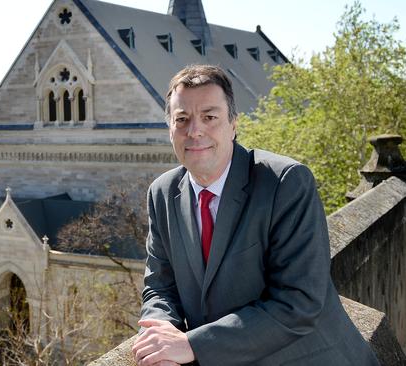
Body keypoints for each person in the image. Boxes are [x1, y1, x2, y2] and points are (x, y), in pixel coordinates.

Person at [131, 65, 379, 366]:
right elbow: (159, 285)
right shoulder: (162, 193)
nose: (194, 131)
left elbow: (298, 302)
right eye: (182, 119)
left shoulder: (286, 182)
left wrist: (193, 345)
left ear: (233, 124)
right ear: (170, 128)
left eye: (210, 117)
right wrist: (162, 334)